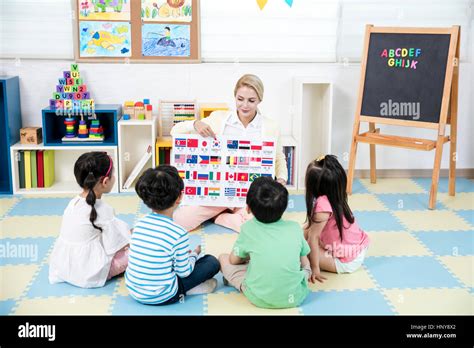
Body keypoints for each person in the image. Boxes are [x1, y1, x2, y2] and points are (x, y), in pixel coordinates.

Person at [171, 74, 288, 232]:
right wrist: (195, 123)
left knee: (259, 228)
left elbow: (278, 157)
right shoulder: (218, 118)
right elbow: (175, 132)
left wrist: (281, 179)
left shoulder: (270, 126)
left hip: (250, 194)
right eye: (240, 99)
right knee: (179, 221)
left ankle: (219, 217)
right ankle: (222, 212)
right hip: (217, 190)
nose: (245, 105)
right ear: (235, 97)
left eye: (251, 100)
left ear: (260, 100)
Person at [126, 165, 220, 305]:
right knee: (212, 262)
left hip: (134, 291)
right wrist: (193, 255)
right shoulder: (178, 233)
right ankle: (187, 290)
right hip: (163, 295)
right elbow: (184, 272)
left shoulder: (139, 224)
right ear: (180, 196)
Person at [219, 177, 311, 309]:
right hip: (296, 296)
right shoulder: (295, 227)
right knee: (300, 261)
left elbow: (234, 260)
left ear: (248, 208)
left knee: (223, 258)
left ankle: (234, 281)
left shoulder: (248, 228)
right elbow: (304, 258)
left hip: (258, 298)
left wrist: (247, 256)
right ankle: (304, 276)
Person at [49, 152, 130, 288]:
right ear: (105, 182)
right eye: (113, 175)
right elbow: (115, 245)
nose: (114, 177)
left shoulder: (73, 203)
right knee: (137, 250)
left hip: (64, 267)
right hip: (89, 272)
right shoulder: (103, 209)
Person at [304, 155, 370, 283]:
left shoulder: (322, 206)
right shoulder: (335, 195)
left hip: (347, 261)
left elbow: (313, 238)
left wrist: (315, 268)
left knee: (301, 249)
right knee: (301, 232)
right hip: (357, 246)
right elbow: (310, 229)